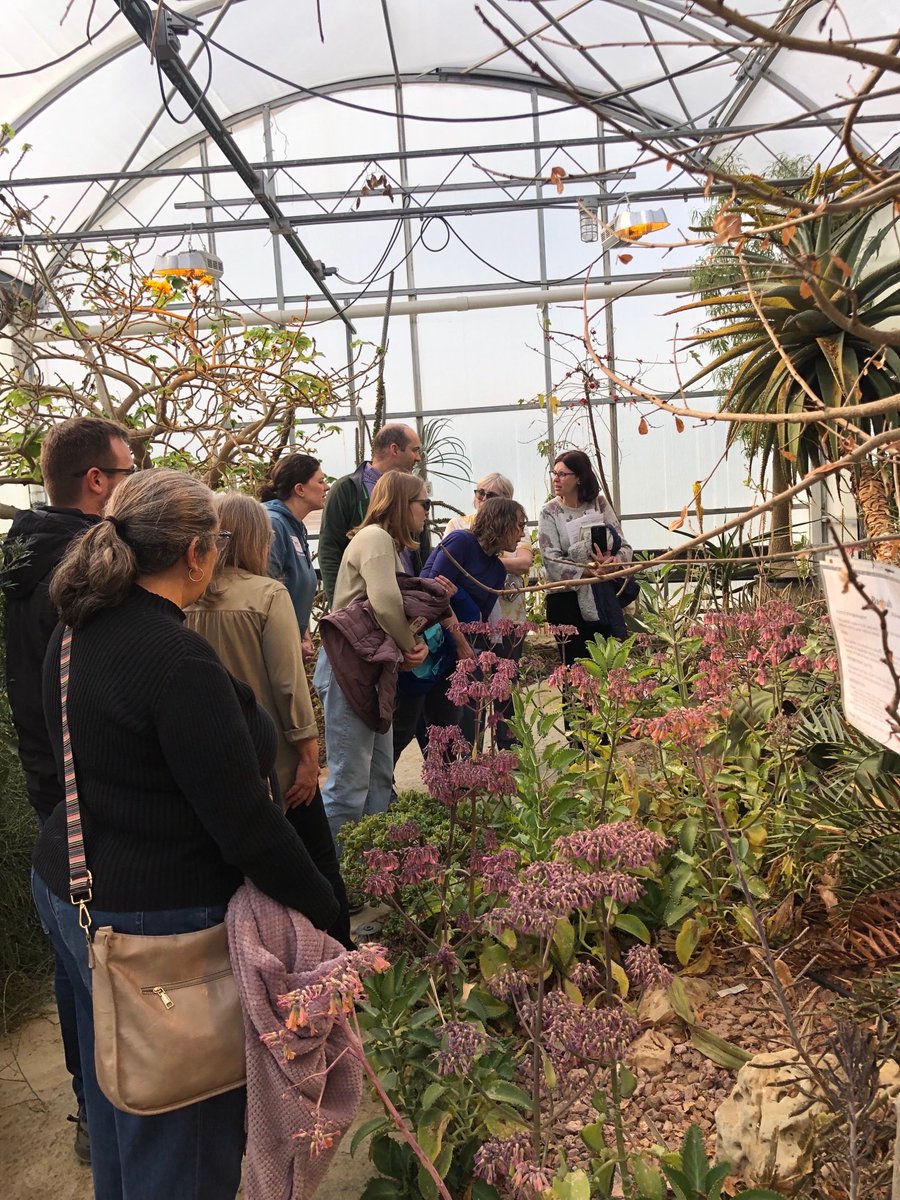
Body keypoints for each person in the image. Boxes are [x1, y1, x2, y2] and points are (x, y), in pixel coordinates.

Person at [32, 469, 339, 1200]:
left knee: (122, 1101)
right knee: (184, 1138)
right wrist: (325, 912)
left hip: (72, 894)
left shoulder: (74, 635)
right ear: (199, 553)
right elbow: (245, 826)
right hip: (157, 932)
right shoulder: (178, 662)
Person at [2, 414, 134, 1164]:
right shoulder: (86, 561)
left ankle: (91, 1106)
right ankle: (117, 1107)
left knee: (69, 938)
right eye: (127, 471)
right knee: (104, 951)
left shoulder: (22, 550)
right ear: (97, 482)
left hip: (47, 772)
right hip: (92, 780)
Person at [186, 491, 353, 948]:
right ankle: (340, 955)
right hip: (276, 755)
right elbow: (287, 683)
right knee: (316, 860)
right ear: (259, 538)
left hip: (216, 757)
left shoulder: (185, 599)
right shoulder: (267, 594)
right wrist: (308, 750)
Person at [314, 471, 433, 845]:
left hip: (368, 669)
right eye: (423, 504)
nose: (427, 513)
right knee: (349, 781)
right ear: (402, 503)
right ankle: (336, 881)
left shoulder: (386, 544)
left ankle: (368, 872)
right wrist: (408, 645)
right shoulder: (376, 537)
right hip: (349, 668)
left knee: (379, 776)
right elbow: (385, 601)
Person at [420, 496, 528, 744]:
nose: (522, 534)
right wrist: (459, 601)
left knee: (465, 715)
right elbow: (431, 588)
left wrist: (458, 595)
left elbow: (476, 619)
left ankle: (464, 773)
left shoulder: (497, 570)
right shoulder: (462, 541)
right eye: (519, 525)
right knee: (429, 716)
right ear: (501, 522)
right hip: (433, 639)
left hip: (464, 646)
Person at [538, 448, 633, 668]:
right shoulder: (549, 511)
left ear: (579, 477)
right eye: (554, 473)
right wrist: (588, 570)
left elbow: (625, 547)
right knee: (574, 668)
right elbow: (550, 560)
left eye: (563, 474)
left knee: (604, 665)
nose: (556, 479)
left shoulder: (598, 504)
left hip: (601, 596)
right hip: (566, 599)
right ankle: (574, 704)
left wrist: (612, 563)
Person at [317, 423, 429, 606]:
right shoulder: (348, 489)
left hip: (408, 602)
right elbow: (329, 549)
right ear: (394, 449)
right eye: (414, 450)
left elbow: (420, 549)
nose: (417, 458)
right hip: (366, 606)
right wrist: (339, 606)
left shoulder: (413, 488)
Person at [261, 453, 329, 659]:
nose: (326, 487)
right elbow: (265, 591)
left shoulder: (295, 526)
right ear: (299, 489)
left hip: (289, 641)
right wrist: (288, 639)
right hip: (273, 646)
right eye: (320, 481)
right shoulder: (274, 524)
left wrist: (303, 631)